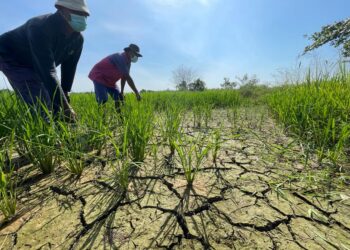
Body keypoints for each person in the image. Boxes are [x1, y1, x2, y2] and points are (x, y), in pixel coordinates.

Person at [0, 0, 90, 122]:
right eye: (76, 12)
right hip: (11, 55)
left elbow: (69, 68)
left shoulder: (78, 40)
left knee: (54, 97)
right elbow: (48, 71)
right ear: (61, 10)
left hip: (34, 61)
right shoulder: (40, 27)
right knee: (39, 97)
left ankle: (58, 125)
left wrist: (65, 96)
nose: (81, 18)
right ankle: (46, 134)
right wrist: (66, 108)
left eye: (84, 15)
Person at [88, 44, 142, 112]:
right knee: (103, 99)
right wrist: (137, 93)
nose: (136, 57)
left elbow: (124, 78)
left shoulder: (128, 63)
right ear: (129, 51)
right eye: (135, 54)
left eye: (137, 56)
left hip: (110, 81)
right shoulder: (120, 57)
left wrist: (122, 92)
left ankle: (120, 118)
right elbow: (128, 77)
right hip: (99, 76)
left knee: (119, 97)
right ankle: (102, 120)